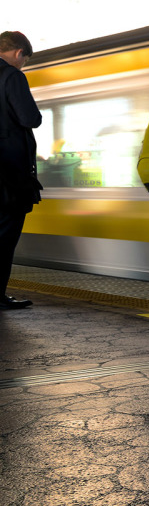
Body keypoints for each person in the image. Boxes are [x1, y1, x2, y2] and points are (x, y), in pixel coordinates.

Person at [0, 31, 42, 311]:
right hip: (7, 176)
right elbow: (30, 118)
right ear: (19, 53)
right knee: (4, 238)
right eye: (24, 60)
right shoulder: (12, 77)